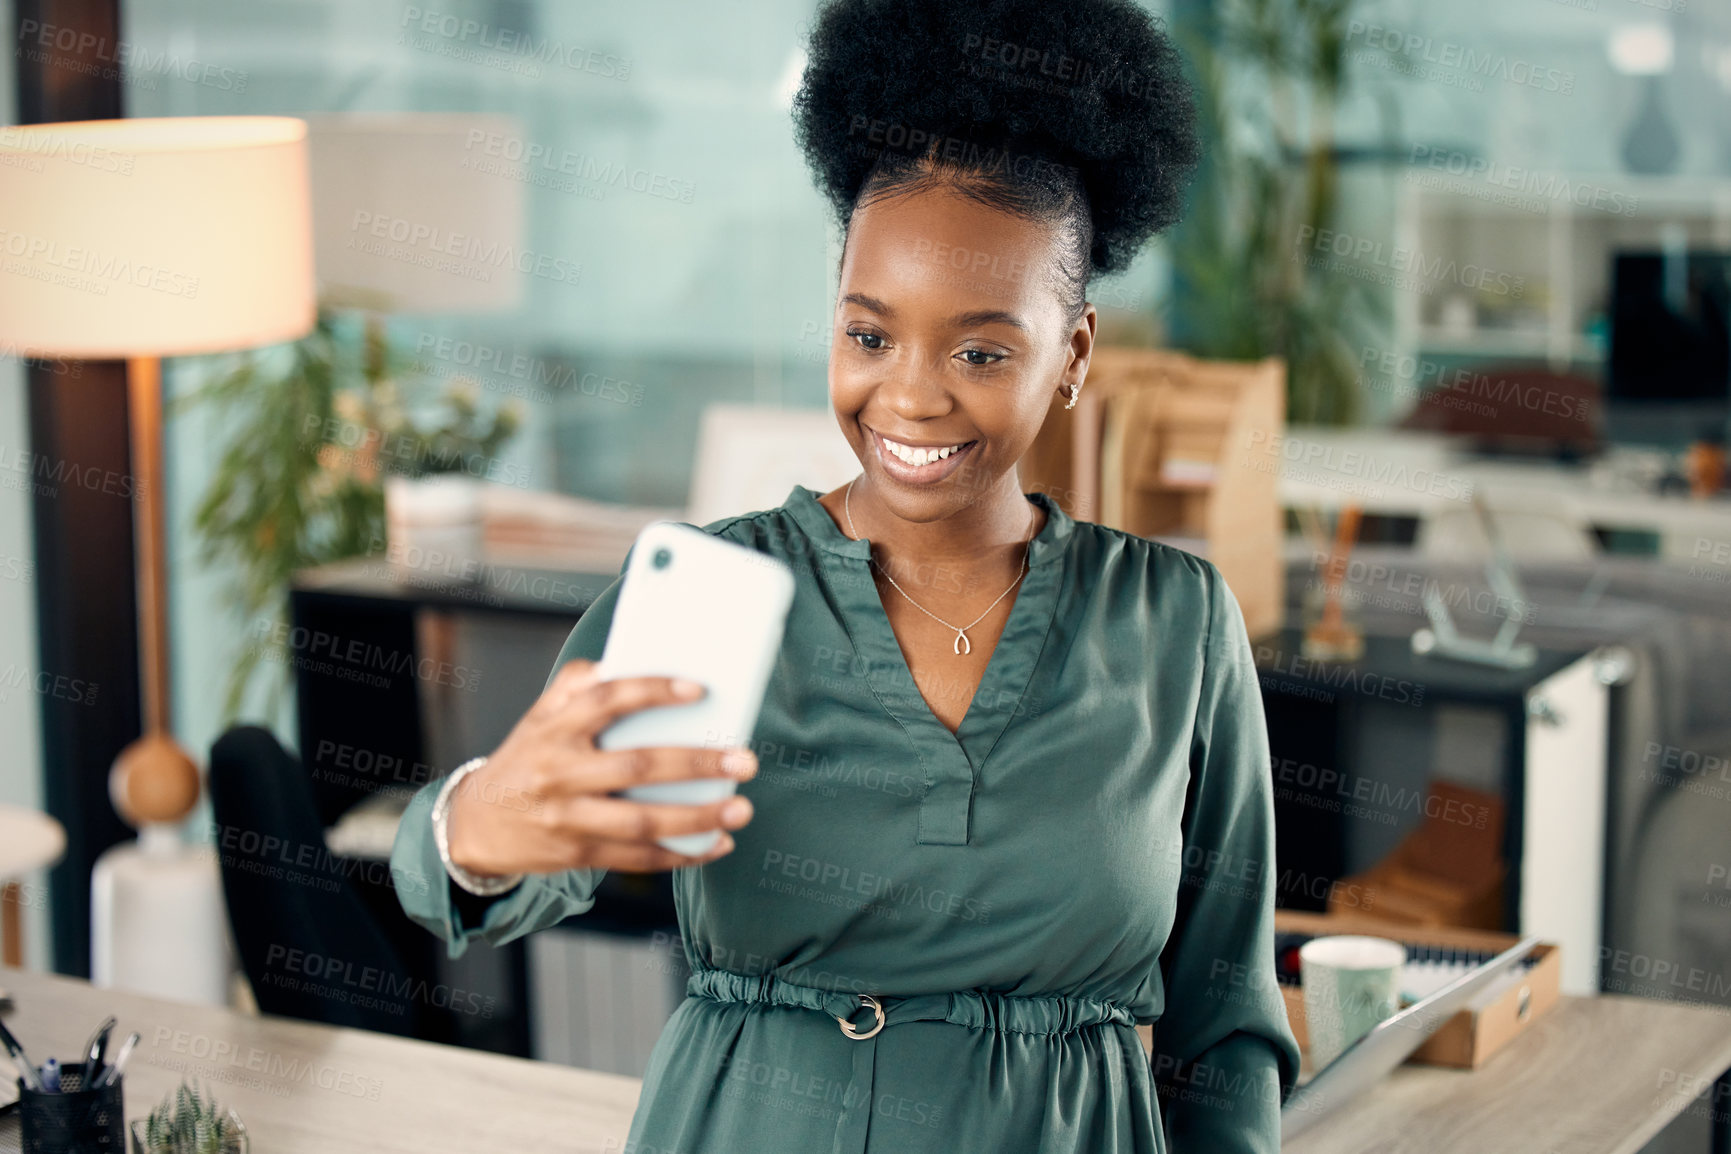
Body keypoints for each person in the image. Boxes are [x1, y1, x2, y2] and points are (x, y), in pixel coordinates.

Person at [391, 0, 1300, 1149]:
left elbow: (1226, 1027)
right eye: (870, 335)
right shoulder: (715, 588)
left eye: (980, 350)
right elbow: (461, 873)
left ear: (1071, 355)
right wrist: (477, 823)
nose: (911, 397)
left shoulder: (1176, 625)